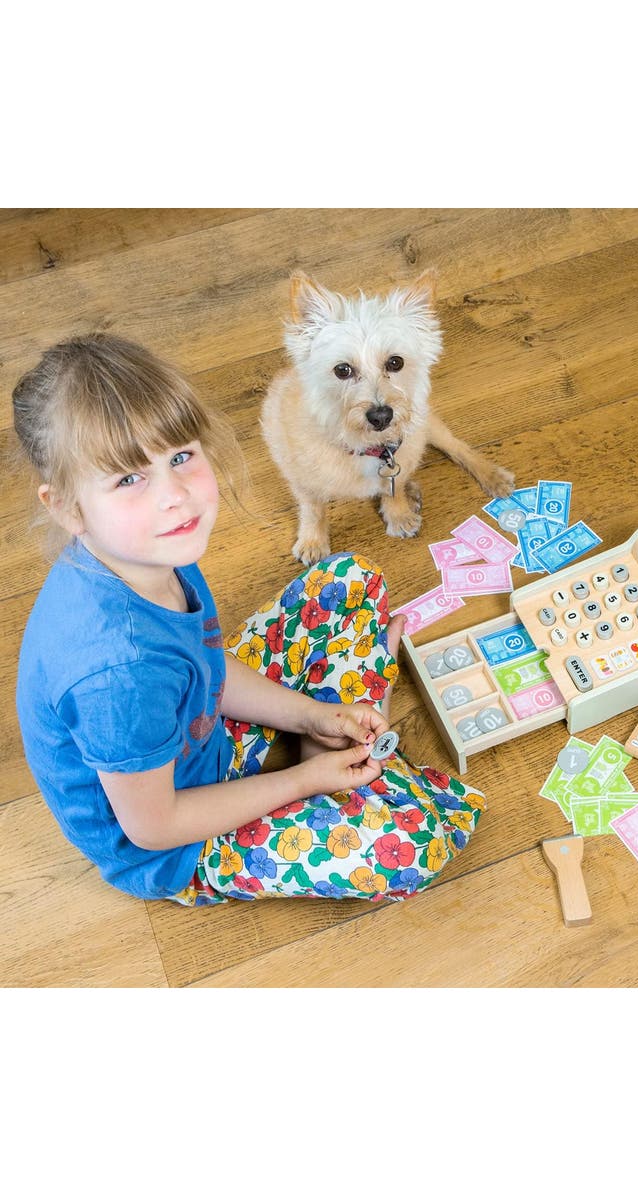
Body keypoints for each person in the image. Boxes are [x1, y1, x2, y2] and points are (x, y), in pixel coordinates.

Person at [13, 334, 486, 906]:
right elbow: (154, 827)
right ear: (66, 508)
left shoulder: (151, 552)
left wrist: (312, 713)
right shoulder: (117, 674)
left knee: (349, 578)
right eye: (128, 479)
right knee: (410, 845)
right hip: (178, 843)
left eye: (180, 457)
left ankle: (333, 751)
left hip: (201, 734)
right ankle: (340, 775)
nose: (176, 496)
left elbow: (206, 665)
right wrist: (303, 782)